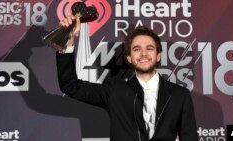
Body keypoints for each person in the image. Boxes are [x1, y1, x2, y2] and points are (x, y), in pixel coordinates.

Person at [56, 15, 198, 141]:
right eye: (137, 49)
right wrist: (68, 39)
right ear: (129, 58)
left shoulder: (180, 95)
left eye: (149, 48)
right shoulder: (115, 90)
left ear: (158, 55)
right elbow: (70, 85)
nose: (143, 54)